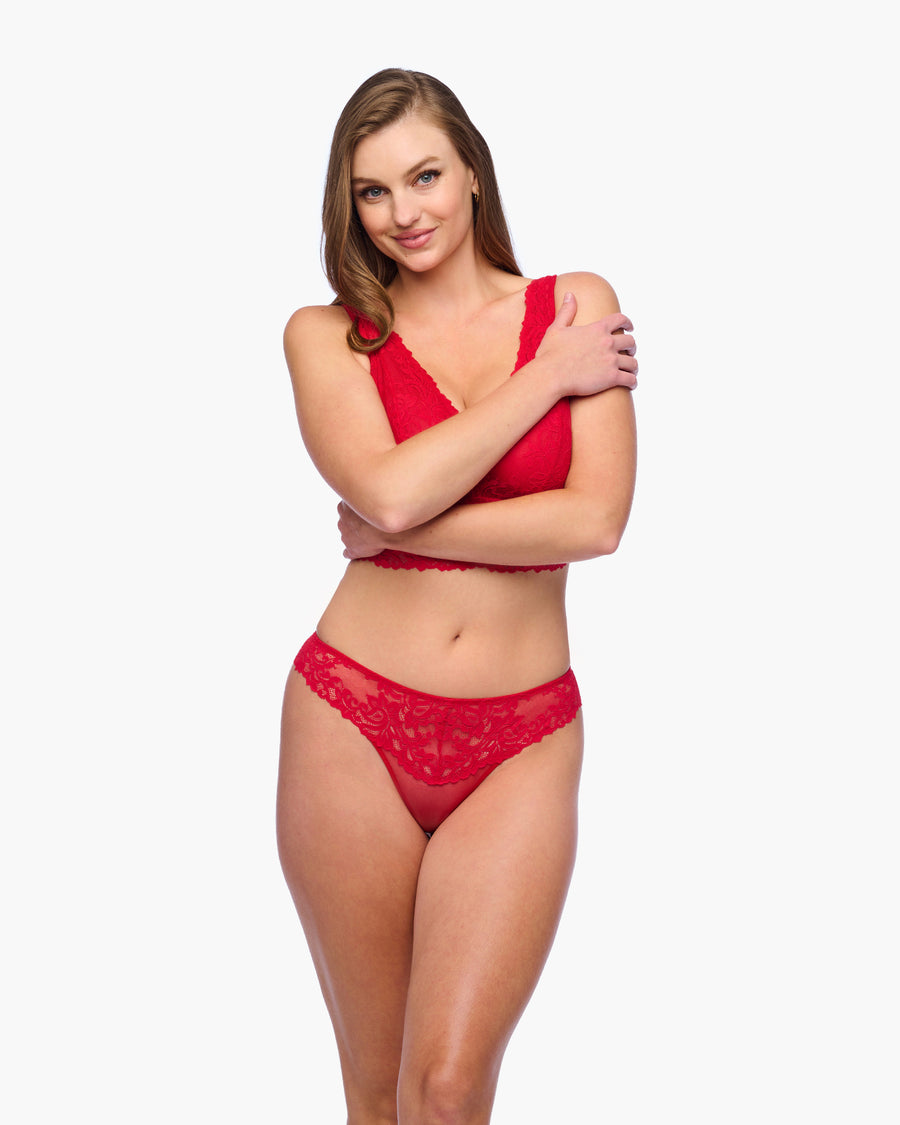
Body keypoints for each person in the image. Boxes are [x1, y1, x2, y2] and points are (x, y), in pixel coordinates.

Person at [277, 67, 637, 1125]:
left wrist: (400, 532)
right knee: (376, 1091)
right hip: (351, 718)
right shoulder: (326, 335)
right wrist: (546, 380)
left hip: (522, 738)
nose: (404, 212)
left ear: (473, 171)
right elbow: (384, 489)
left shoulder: (576, 306)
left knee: (446, 1088)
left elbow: (596, 521)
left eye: (425, 176)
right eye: (373, 191)